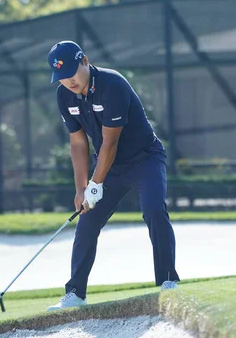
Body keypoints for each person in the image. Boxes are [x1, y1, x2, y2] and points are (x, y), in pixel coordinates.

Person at [46, 41, 180, 311]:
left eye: (71, 73)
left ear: (84, 60)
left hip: (145, 159)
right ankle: (75, 293)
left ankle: (168, 281)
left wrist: (95, 183)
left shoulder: (112, 85)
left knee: (154, 209)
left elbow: (110, 143)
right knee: (87, 223)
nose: (68, 81)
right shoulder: (64, 96)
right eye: (61, 77)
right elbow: (78, 143)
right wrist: (81, 188)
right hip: (109, 166)